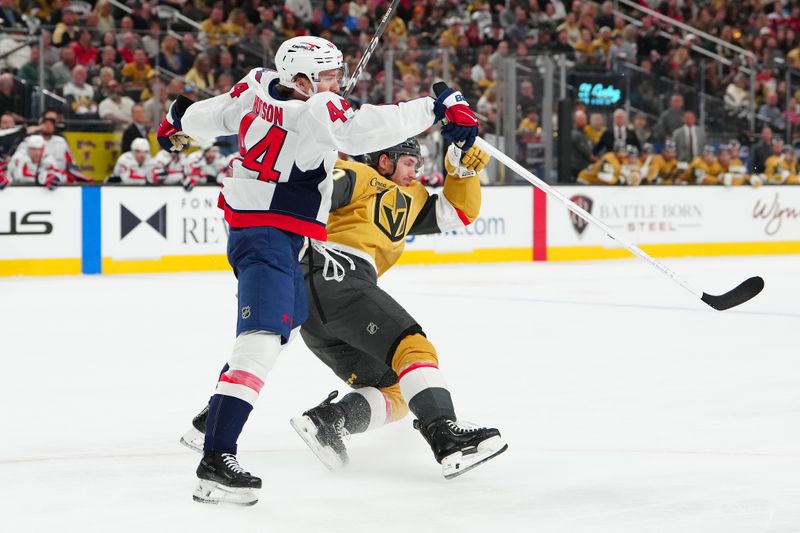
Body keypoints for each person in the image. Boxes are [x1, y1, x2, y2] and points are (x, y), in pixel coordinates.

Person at [158, 35, 479, 506]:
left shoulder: (257, 87)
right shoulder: (317, 109)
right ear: (302, 79)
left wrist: (177, 121)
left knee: (274, 334)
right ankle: (215, 460)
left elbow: (211, 113)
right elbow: (362, 128)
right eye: (328, 76)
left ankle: (208, 423)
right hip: (268, 231)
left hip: (278, 236)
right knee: (261, 341)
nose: (337, 83)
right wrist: (435, 107)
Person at [182, 137, 505, 480]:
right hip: (335, 277)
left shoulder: (413, 198)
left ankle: (329, 422)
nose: (416, 170)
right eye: (409, 162)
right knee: (413, 347)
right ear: (385, 160)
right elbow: (314, 198)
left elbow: (458, 211)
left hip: (324, 311)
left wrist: (462, 171)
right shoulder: (356, 174)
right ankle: (446, 437)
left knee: (398, 387)